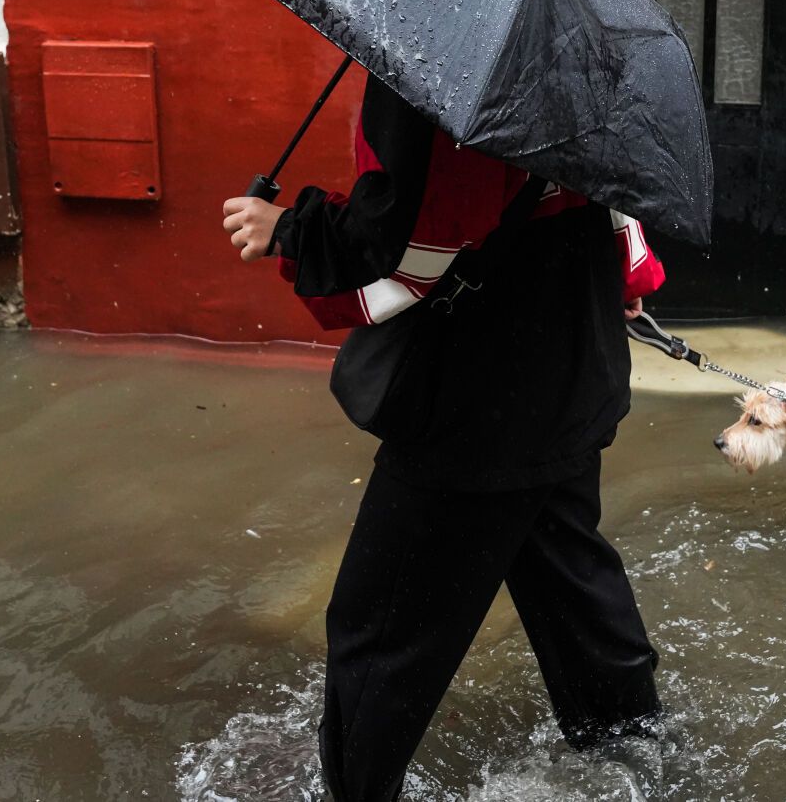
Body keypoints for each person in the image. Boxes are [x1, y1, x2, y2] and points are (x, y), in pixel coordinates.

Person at [221, 77, 667, 802]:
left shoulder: (437, 80)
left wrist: (290, 229)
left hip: (478, 395)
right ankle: (642, 759)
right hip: (572, 362)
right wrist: (623, 277)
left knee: (380, 628)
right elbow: (616, 187)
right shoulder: (578, 59)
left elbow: (413, 242)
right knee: (569, 584)